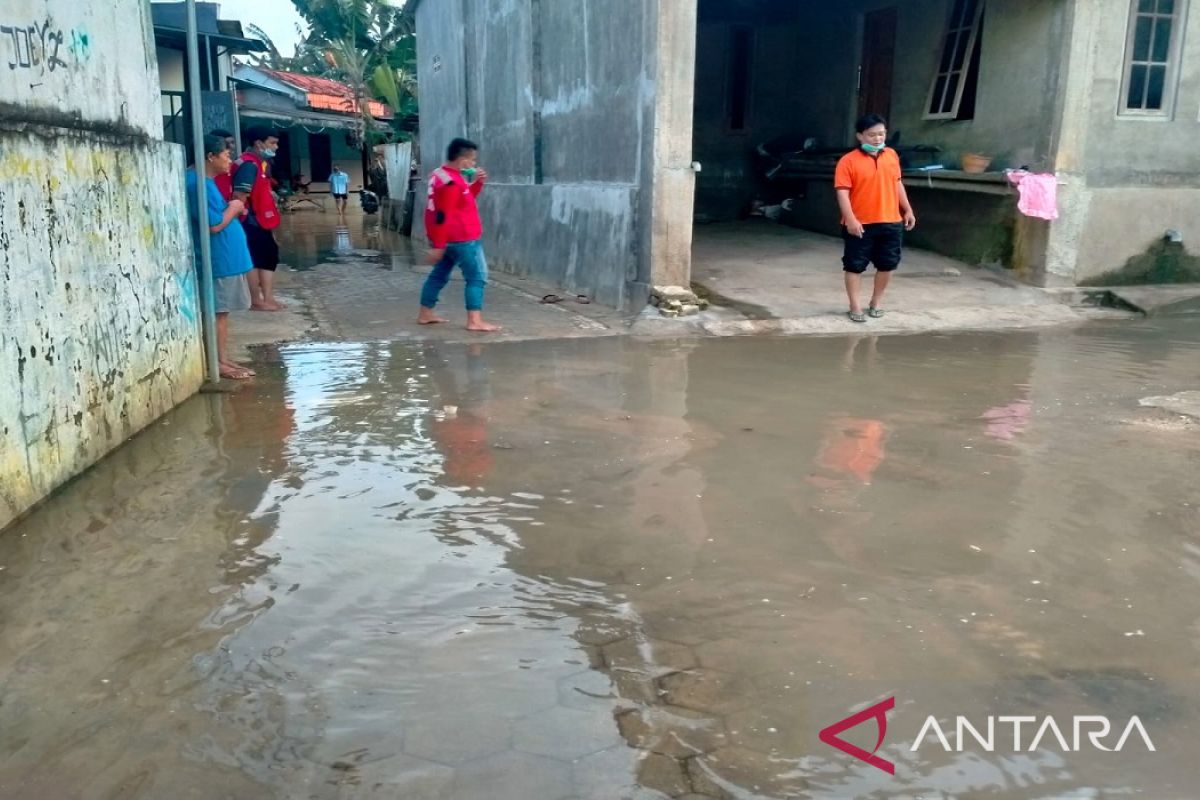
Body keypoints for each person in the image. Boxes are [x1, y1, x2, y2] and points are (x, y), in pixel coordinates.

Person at [834, 113, 917, 323]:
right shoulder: (847, 161)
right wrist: (851, 219)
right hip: (860, 224)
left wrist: (907, 209)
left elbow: (897, 184)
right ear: (860, 136)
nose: (878, 139)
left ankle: (876, 302)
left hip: (891, 220)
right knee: (854, 265)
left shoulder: (891, 156)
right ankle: (854, 306)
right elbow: (842, 192)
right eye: (872, 135)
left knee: (888, 264)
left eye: (881, 134)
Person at [186, 135, 255, 380]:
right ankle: (217, 363)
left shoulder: (206, 182)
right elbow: (213, 225)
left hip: (226, 259)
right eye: (226, 155)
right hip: (218, 260)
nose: (230, 160)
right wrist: (234, 208)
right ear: (210, 156)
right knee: (218, 312)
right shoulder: (197, 184)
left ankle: (222, 359)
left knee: (222, 313)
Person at [418, 138, 501, 332]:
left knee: (438, 275)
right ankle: (474, 320)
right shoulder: (451, 183)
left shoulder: (442, 175)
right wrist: (438, 246)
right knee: (477, 277)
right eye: (472, 160)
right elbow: (442, 214)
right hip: (462, 238)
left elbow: (463, 200)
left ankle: (425, 313)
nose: (473, 164)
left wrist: (478, 183)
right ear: (463, 160)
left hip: (448, 239)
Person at [237, 126, 285, 312]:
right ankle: (257, 300)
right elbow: (240, 194)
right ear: (258, 143)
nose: (276, 147)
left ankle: (267, 298)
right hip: (251, 221)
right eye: (272, 143)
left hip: (260, 220)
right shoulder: (249, 164)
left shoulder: (259, 163)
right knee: (257, 259)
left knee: (268, 257)